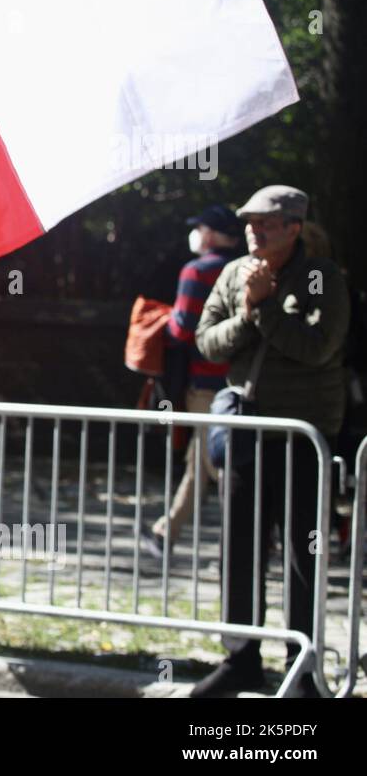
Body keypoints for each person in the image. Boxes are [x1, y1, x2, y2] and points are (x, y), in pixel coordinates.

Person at [191, 185, 350, 698]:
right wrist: (246, 311)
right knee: (240, 548)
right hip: (247, 433)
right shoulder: (235, 272)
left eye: (265, 223)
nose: (253, 230)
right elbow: (206, 340)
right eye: (248, 223)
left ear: (293, 229)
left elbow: (319, 348)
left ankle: (302, 667)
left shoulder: (322, 277)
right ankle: (239, 659)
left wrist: (263, 310)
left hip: (303, 435)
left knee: (303, 554)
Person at [148, 204, 244, 553]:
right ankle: (166, 530)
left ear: (212, 234)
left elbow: (182, 327)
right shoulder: (247, 268)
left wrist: (162, 323)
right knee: (200, 459)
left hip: (204, 382)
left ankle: (264, 526)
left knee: (216, 463)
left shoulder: (197, 271)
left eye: (201, 228)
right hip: (240, 380)